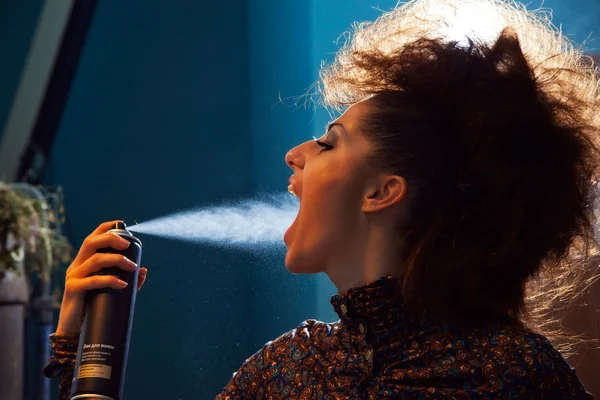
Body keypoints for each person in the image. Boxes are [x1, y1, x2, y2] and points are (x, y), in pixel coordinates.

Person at [44, 0, 599, 398]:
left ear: (384, 191)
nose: (294, 154)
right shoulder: (281, 372)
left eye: (328, 142)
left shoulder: (516, 375)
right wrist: (78, 351)